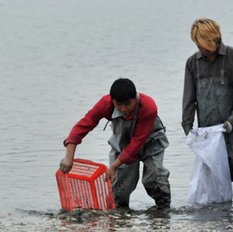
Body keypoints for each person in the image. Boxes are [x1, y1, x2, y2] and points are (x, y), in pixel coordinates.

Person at [60, 78, 171, 209]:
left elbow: (136, 143)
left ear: (135, 98)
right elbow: (84, 125)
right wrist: (69, 157)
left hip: (150, 141)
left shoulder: (148, 106)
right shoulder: (105, 104)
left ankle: (163, 211)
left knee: (154, 177)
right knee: (120, 185)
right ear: (112, 100)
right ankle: (120, 213)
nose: (123, 109)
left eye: (128, 104)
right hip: (123, 142)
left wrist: (113, 166)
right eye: (118, 104)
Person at [182, 18, 233, 201]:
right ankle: (220, 209)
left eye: (205, 45)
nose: (202, 50)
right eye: (199, 46)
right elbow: (189, 98)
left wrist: (232, 121)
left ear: (215, 39)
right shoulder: (193, 63)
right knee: (213, 170)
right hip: (209, 128)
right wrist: (187, 125)